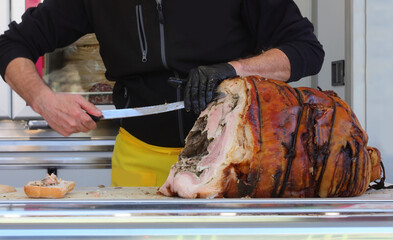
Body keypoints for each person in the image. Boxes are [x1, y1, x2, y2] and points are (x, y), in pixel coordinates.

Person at [0, 0, 324, 187]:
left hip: (233, 160)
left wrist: (233, 69)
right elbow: (11, 45)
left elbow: (305, 50)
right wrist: (43, 100)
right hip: (139, 158)